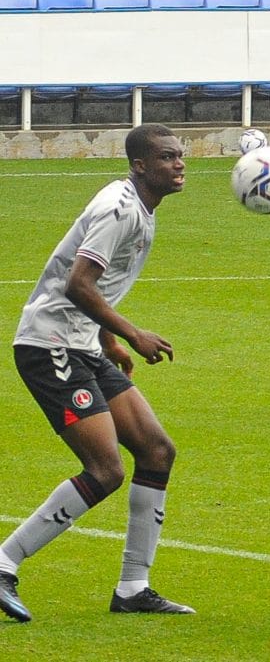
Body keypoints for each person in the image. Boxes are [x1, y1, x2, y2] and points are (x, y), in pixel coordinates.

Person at [0, 124, 193, 623]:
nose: (179, 164)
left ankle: (133, 587)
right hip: (50, 345)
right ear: (140, 166)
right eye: (168, 157)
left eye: (180, 155)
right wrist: (131, 335)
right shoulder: (119, 210)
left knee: (156, 450)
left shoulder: (142, 208)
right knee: (106, 470)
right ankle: (4, 561)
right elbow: (78, 283)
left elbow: (98, 286)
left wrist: (106, 341)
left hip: (82, 345)